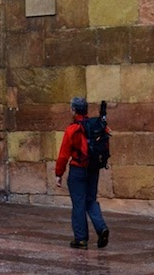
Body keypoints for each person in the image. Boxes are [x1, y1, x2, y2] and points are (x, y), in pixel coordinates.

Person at [55, 96, 110, 250]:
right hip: (93, 168)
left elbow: (63, 155)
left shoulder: (72, 129)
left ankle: (80, 239)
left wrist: (59, 174)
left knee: (79, 203)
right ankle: (101, 227)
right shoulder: (96, 125)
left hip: (78, 169)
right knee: (91, 200)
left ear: (74, 110)